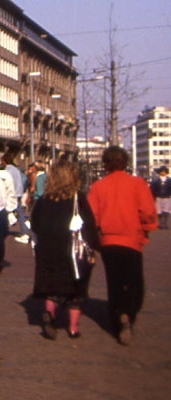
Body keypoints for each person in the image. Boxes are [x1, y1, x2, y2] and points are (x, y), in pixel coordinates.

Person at [88, 146, 158, 345]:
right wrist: (147, 228)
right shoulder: (138, 184)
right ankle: (129, 313)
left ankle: (118, 317)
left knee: (115, 281)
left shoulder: (98, 186)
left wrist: (96, 239)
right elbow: (147, 211)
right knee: (134, 279)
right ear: (125, 163)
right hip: (132, 239)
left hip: (109, 241)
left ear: (105, 164)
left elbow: (91, 216)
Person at [31, 160, 100, 339]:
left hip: (48, 250)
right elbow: (90, 226)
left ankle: (49, 315)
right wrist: (94, 246)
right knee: (75, 292)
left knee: (50, 287)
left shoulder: (44, 199)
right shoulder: (78, 198)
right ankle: (72, 328)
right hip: (72, 252)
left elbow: (35, 224)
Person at [2, 151, 32, 244]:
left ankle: (24, 232)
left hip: (12, 194)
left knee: (8, 212)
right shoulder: (16, 169)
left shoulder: (8, 170)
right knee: (18, 212)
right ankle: (22, 230)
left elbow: (6, 184)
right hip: (18, 193)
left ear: (4, 161)